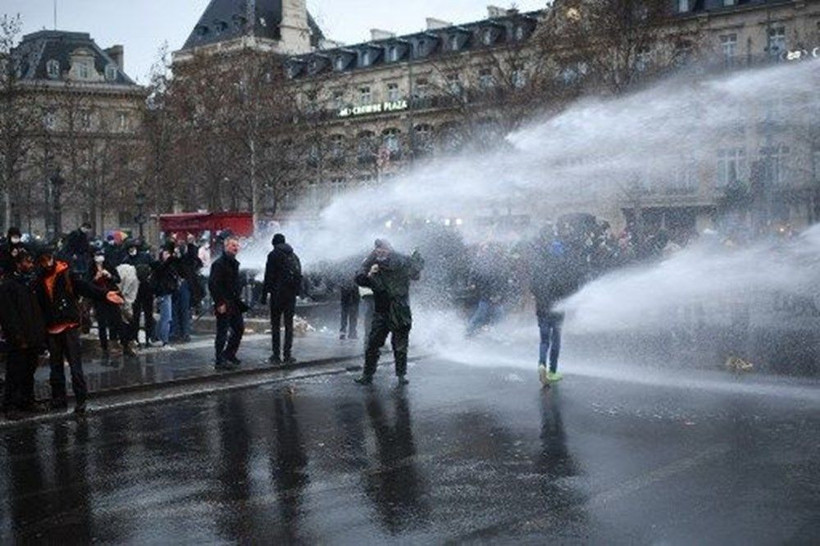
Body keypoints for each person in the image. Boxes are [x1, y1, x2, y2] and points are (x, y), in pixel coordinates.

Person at [34, 247, 123, 414]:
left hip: (69, 326)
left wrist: (104, 295)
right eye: (43, 261)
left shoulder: (65, 273)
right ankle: (59, 399)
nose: (46, 263)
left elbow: (84, 287)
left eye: (48, 259)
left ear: (52, 258)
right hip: (52, 328)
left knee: (75, 366)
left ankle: (80, 400)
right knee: (56, 368)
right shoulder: (39, 279)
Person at [354, 239, 424, 386]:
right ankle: (367, 375)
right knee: (373, 344)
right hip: (381, 310)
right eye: (378, 248)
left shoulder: (401, 261)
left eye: (384, 248)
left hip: (399, 310)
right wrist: (369, 272)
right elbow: (359, 279)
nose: (381, 251)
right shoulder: (372, 263)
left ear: (390, 249)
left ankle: (401, 375)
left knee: (400, 345)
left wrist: (417, 259)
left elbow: (416, 274)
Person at [529, 228, 585, 386]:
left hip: (541, 309)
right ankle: (552, 371)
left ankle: (541, 364)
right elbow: (571, 289)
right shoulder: (564, 268)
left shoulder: (540, 267)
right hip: (558, 310)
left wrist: (540, 298)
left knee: (544, 340)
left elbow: (532, 287)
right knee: (556, 339)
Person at [0, 249, 46, 419]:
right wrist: (18, 336)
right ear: (18, 264)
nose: (30, 265)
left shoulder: (29, 284)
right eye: (27, 262)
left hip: (32, 336)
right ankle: (10, 405)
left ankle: (27, 401)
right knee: (15, 373)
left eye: (31, 262)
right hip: (18, 339)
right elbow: (8, 314)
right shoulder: (9, 285)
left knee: (28, 372)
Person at [261, 233, 302, 365]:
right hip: (290, 296)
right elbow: (299, 275)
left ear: (274, 243)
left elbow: (268, 276)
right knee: (289, 325)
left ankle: (276, 355)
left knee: (276, 325)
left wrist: (264, 295)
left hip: (277, 295)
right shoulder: (294, 255)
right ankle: (288, 354)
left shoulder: (273, 255)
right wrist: (296, 292)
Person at [208, 236, 247, 370]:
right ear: (226, 247)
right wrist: (219, 303)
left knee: (239, 328)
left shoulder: (234, 263)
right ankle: (219, 359)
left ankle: (229, 354)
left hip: (234, 301)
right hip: (224, 302)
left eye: (237, 245)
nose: (235, 248)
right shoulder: (219, 264)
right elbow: (213, 284)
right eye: (232, 245)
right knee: (222, 331)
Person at [87, 250, 122, 357]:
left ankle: (113, 343)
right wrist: (95, 278)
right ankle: (104, 346)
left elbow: (117, 279)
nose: (99, 258)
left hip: (111, 296)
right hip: (99, 297)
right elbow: (87, 283)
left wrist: (110, 276)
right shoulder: (91, 268)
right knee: (101, 322)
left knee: (113, 321)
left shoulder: (109, 266)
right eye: (97, 256)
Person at [151, 243, 179, 347]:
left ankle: (158, 337)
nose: (168, 255)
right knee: (166, 318)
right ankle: (164, 340)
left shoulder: (170, 266)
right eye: (166, 253)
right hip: (163, 294)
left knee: (164, 318)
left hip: (168, 293)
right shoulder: (160, 265)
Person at [339, 275, 360, 340]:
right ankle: (352, 332)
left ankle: (344, 332)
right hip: (353, 297)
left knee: (345, 315)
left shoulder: (344, 276)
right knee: (352, 315)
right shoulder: (356, 274)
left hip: (347, 297)